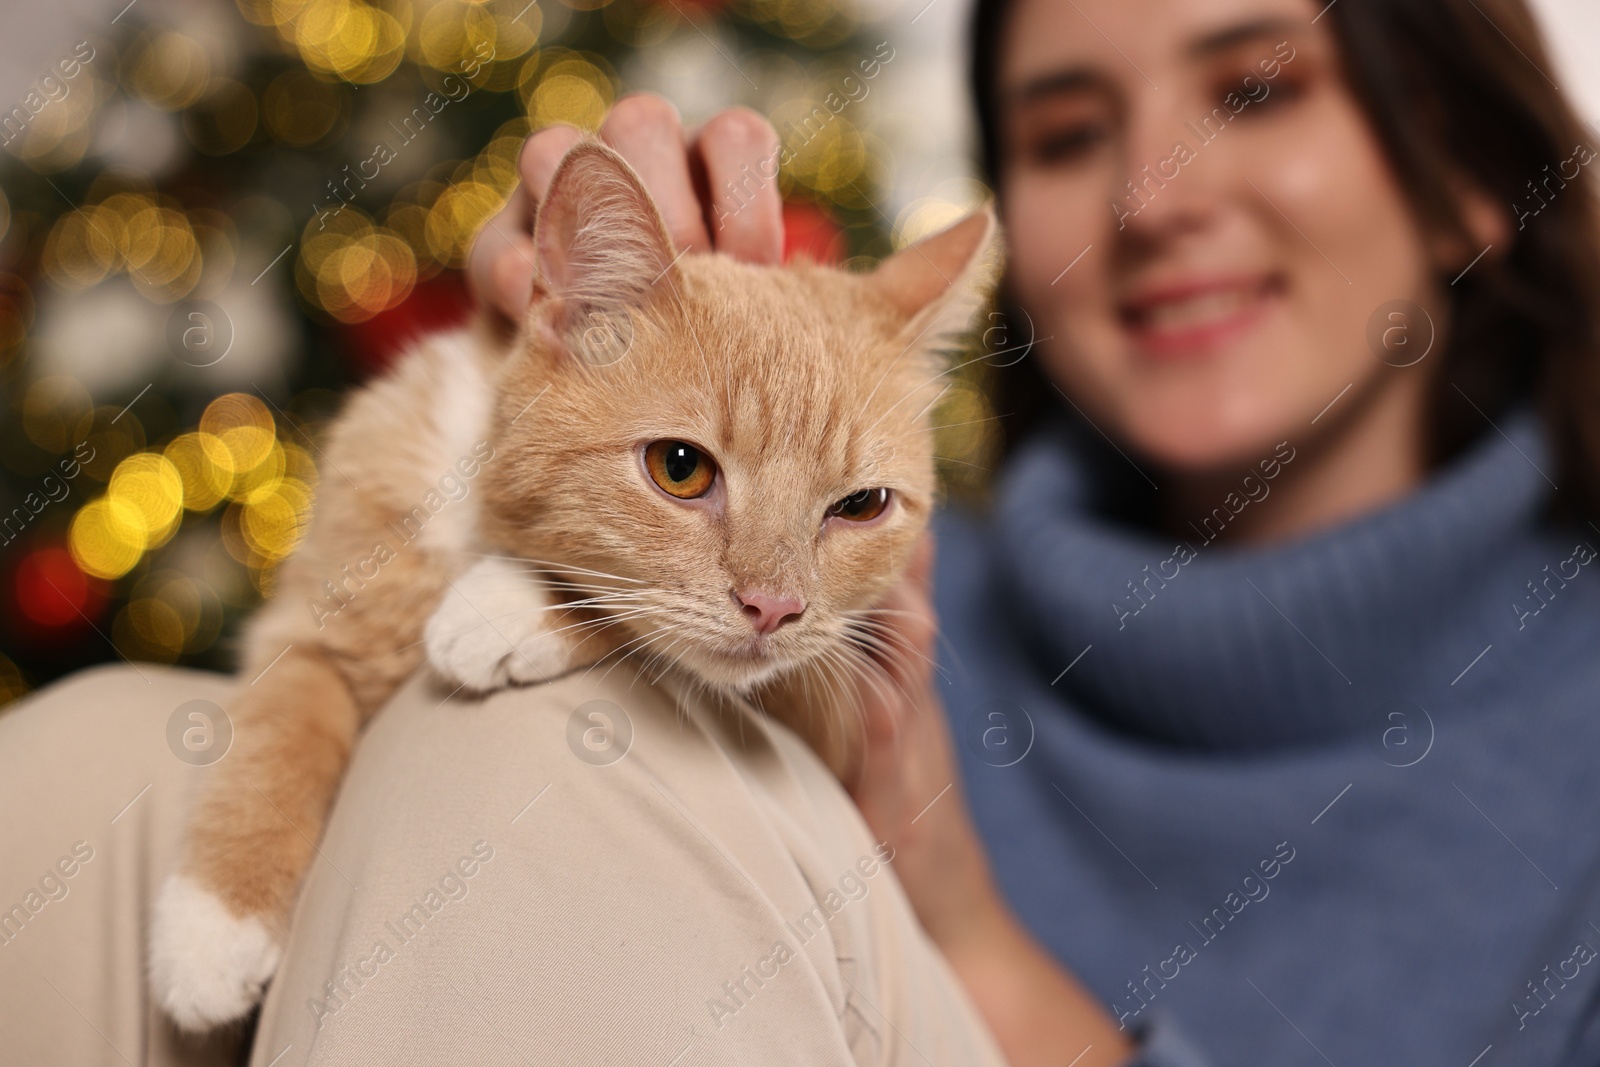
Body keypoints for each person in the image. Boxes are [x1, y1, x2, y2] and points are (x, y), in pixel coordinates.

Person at [5, 0, 1599, 1064]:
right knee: (107, 767)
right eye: (1060, 133)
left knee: (557, 744)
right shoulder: (890, 555)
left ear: (1474, 170)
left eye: (1255, 90)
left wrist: (959, 914)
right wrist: (577, 361)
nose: (1153, 191)